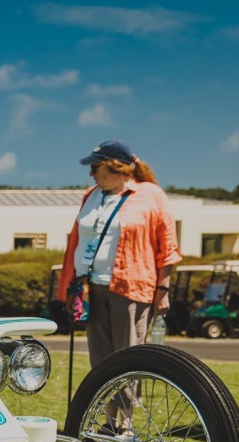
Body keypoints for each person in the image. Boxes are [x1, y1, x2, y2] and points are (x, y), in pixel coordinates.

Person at [57, 139, 181, 368]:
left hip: (131, 289)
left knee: (128, 359)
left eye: (96, 167)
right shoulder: (91, 195)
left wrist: (163, 288)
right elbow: (78, 239)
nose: (92, 174)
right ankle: (105, 405)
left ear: (115, 167)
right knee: (101, 362)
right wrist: (71, 284)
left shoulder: (150, 195)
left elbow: (168, 246)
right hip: (91, 287)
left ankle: (127, 405)